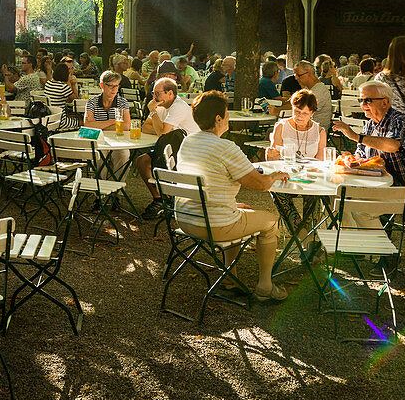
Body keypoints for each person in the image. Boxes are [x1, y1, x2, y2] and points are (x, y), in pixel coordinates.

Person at [175, 91, 290, 303]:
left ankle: (229, 278)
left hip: (186, 218)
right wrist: (275, 175)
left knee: (239, 209)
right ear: (218, 118)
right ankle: (265, 286)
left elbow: (207, 183)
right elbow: (261, 185)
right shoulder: (225, 147)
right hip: (214, 224)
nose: (228, 117)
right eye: (226, 114)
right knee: (270, 222)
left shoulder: (188, 142)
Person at [333, 81, 405, 190]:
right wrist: (351, 160)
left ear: (384, 102)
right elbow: (361, 154)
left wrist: (356, 136)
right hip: (378, 184)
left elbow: (392, 146)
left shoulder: (400, 121)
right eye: (360, 100)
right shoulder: (369, 125)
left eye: (368, 100)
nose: (363, 105)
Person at [136, 77, 200, 218]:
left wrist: (153, 114)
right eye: (153, 93)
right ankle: (160, 199)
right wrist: (162, 128)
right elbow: (145, 128)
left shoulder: (178, 107)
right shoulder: (161, 105)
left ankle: (169, 200)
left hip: (187, 152)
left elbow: (161, 133)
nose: (154, 97)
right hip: (170, 148)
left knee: (154, 162)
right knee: (142, 161)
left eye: (157, 93)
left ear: (170, 93)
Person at [266, 89, 325, 162]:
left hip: (310, 171)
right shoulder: (281, 126)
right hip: (285, 170)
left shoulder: (320, 132)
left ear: (312, 113)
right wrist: (270, 155)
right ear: (292, 108)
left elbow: (320, 162)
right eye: (297, 111)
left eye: (305, 113)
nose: (300, 116)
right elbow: (273, 160)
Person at [292, 61, 332, 129]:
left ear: (309, 73)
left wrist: (278, 110)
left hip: (315, 129)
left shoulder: (319, 90)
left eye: (299, 75)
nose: (296, 78)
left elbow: (302, 108)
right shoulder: (309, 88)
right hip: (306, 125)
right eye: (295, 75)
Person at [44, 61, 79, 129]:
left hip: (50, 120)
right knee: (81, 121)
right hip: (61, 122)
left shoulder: (48, 83)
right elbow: (76, 100)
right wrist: (73, 84)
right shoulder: (63, 87)